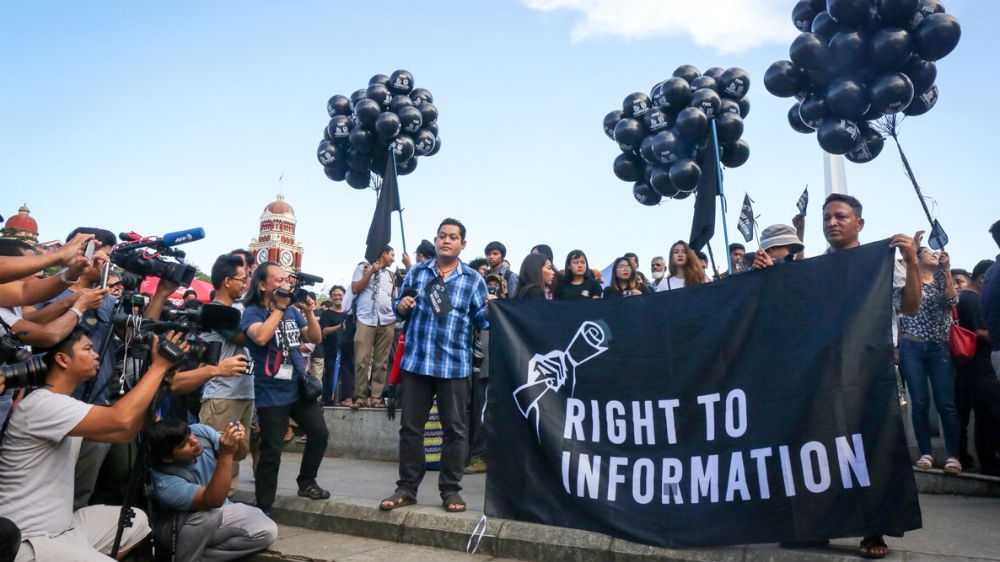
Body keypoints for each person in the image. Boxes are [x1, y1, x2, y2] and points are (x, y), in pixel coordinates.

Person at [0, 326, 185, 561]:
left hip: (65, 528)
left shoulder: (64, 404)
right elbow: (120, 419)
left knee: (135, 521)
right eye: (87, 349)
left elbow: (124, 433)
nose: (97, 355)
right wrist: (158, 367)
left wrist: (161, 377)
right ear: (62, 359)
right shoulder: (43, 404)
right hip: (30, 537)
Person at [821, 193, 922, 559]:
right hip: (828, 373)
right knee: (826, 449)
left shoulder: (881, 262)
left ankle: (872, 528)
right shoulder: (816, 268)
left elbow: (909, 306)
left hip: (873, 368)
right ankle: (822, 524)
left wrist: (911, 262)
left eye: (841, 217)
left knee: (874, 447)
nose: (832, 222)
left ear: (858, 223)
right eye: (828, 217)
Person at [379, 218, 489, 513]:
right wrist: (401, 306)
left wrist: (493, 307)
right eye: (442, 236)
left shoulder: (473, 280)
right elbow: (399, 307)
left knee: (454, 430)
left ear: (462, 244)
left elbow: (484, 321)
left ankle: (451, 490)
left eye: (453, 237)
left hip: (454, 367)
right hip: (417, 363)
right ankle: (407, 487)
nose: (446, 241)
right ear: (436, 240)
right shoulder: (417, 272)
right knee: (410, 429)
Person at [241, 261, 330, 516]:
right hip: (271, 391)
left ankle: (307, 482)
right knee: (272, 450)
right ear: (262, 284)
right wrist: (279, 308)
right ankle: (264, 506)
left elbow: (314, 337)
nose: (284, 284)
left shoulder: (292, 310)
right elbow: (260, 337)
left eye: (285, 280)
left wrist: (311, 312)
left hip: (299, 386)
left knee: (319, 433)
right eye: (278, 280)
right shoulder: (253, 312)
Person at [147, 419, 277, 562]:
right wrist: (226, 453)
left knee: (265, 530)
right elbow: (213, 500)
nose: (194, 441)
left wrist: (237, 440)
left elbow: (239, 455)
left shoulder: (200, 432)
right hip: (178, 528)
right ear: (167, 459)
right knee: (208, 516)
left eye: (190, 435)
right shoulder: (164, 482)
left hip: (218, 512)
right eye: (184, 444)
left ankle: (200, 558)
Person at [899, 246, 962, 474]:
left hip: (940, 347)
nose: (933, 254)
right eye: (926, 252)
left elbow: (952, 301)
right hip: (911, 346)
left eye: (935, 253)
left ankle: (953, 456)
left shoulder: (941, 279)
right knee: (919, 402)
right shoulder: (909, 277)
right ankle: (925, 452)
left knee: (946, 402)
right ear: (917, 258)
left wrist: (946, 269)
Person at [197, 254, 255, 496]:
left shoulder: (237, 310)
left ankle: (225, 505)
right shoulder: (215, 311)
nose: (246, 284)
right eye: (243, 279)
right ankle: (205, 509)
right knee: (213, 458)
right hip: (221, 394)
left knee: (233, 457)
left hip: (243, 392)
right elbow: (246, 337)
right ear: (227, 280)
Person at [955, 259, 1000, 475]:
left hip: (973, 367)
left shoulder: (971, 298)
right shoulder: (969, 299)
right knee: (991, 412)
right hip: (978, 367)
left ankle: (989, 463)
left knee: (984, 417)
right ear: (982, 278)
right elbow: (975, 332)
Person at [350, 245, 396, 408]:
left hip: (387, 320)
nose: (393, 259)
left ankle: (376, 398)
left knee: (381, 362)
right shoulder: (363, 267)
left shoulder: (392, 275)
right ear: (383, 253)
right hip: (365, 319)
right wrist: (370, 272)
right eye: (392, 255)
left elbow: (395, 298)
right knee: (362, 360)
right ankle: (361, 397)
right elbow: (355, 289)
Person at [320, 285, 349, 406]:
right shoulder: (326, 314)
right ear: (331, 297)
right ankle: (328, 403)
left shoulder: (349, 313)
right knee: (330, 377)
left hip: (347, 352)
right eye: (335, 295)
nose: (338, 297)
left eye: (340, 295)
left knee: (346, 377)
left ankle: (345, 399)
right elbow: (324, 331)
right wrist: (340, 326)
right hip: (331, 352)